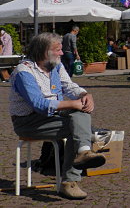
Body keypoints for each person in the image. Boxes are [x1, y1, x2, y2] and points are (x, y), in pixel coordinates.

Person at [9, 33, 106, 199]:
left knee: (79, 116)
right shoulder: (24, 72)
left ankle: (83, 152)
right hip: (28, 122)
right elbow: (39, 105)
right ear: (45, 51)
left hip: (53, 116)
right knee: (76, 128)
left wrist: (84, 94)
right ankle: (70, 181)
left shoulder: (56, 65)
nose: (62, 53)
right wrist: (73, 104)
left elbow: (69, 86)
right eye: (58, 49)